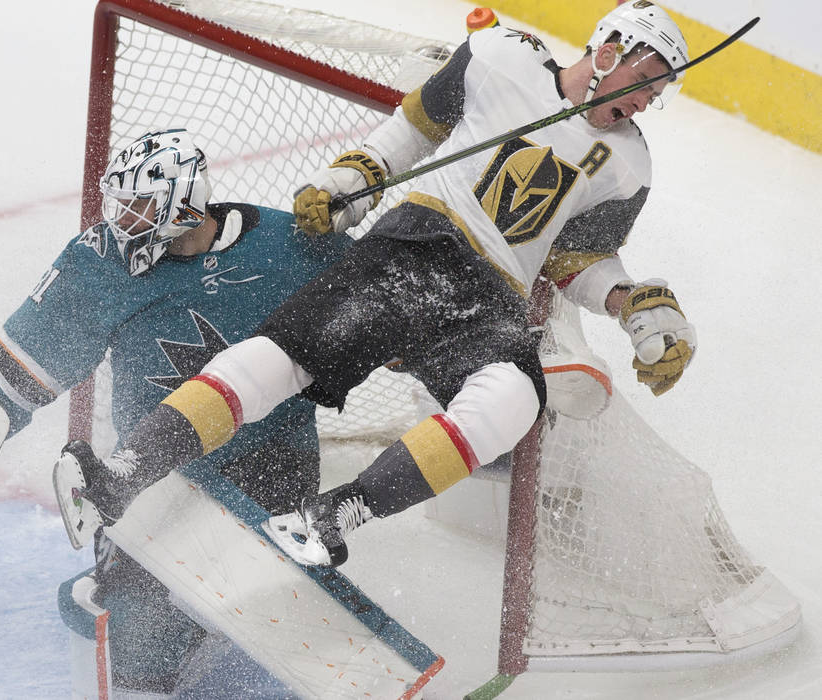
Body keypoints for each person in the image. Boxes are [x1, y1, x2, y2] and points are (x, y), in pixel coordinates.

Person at [54, 2, 698, 571]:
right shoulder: (502, 57)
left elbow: (576, 259)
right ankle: (118, 473)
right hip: (415, 246)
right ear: (610, 50)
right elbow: (416, 126)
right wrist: (346, 184)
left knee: (514, 398)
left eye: (656, 94)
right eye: (644, 82)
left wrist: (630, 301)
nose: (645, 103)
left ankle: (335, 516)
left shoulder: (630, 165)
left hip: (491, 297)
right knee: (285, 356)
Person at [0, 127, 351, 696]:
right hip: (147, 472)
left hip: (269, 461)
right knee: (142, 657)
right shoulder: (103, 260)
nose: (123, 221)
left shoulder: (293, 245)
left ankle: (185, 600)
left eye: (140, 206)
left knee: (251, 623)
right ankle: (126, 587)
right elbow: (20, 371)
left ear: (185, 203)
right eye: (119, 204)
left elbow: (389, 319)